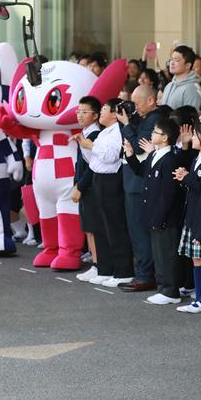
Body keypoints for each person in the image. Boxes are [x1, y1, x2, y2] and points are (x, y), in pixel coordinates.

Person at [74, 98, 135, 287]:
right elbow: (94, 159)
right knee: (102, 227)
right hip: (99, 179)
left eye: (105, 109)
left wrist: (90, 146)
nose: (101, 112)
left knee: (115, 227)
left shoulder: (117, 131)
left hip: (111, 180)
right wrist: (84, 145)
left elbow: (110, 156)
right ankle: (106, 269)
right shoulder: (104, 132)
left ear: (115, 113)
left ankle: (123, 271)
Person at [124, 118, 185, 305]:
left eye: (156, 132)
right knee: (158, 253)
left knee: (167, 254)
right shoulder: (154, 155)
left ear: (165, 137)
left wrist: (159, 218)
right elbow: (142, 171)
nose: (152, 135)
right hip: (153, 215)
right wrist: (130, 155)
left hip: (165, 217)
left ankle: (170, 290)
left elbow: (169, 193)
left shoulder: (170, 159)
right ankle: (163, 287)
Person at [116, 85, 162, 292]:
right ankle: (142, 274)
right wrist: (127, 122)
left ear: (151, 100)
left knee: (140, 232)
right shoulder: (142, 119)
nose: (134, 108)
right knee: (136, 231)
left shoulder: (155, 119)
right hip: (132, 180)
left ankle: (145, 276)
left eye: (137, 103)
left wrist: (126, 124)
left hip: (139, 182)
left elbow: (136, 145)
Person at [174, 121, 201, 313]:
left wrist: (187, 177)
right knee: (195, 258)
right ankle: (198, 297)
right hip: (192, 214)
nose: (192, 138)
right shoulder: (198, 156)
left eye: (195, 135)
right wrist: (186, 176)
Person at [72, 96, 102, 283]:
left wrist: (80, 186)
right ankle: (96, 264)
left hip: (91, 187)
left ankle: (98, 266)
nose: (80, 115)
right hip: (84, 186)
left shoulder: (95, 136)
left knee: (93, 228)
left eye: (85, 112)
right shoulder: (84, 133)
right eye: (79, 111)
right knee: (89, 228)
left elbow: (93, 165)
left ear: (96, 115)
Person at [161, 44, 201, 110]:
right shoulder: (169, 86)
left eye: (176, 60)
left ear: (188, 65)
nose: (172, 63)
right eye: (171, 59)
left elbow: (194, 116)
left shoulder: (192, 89)